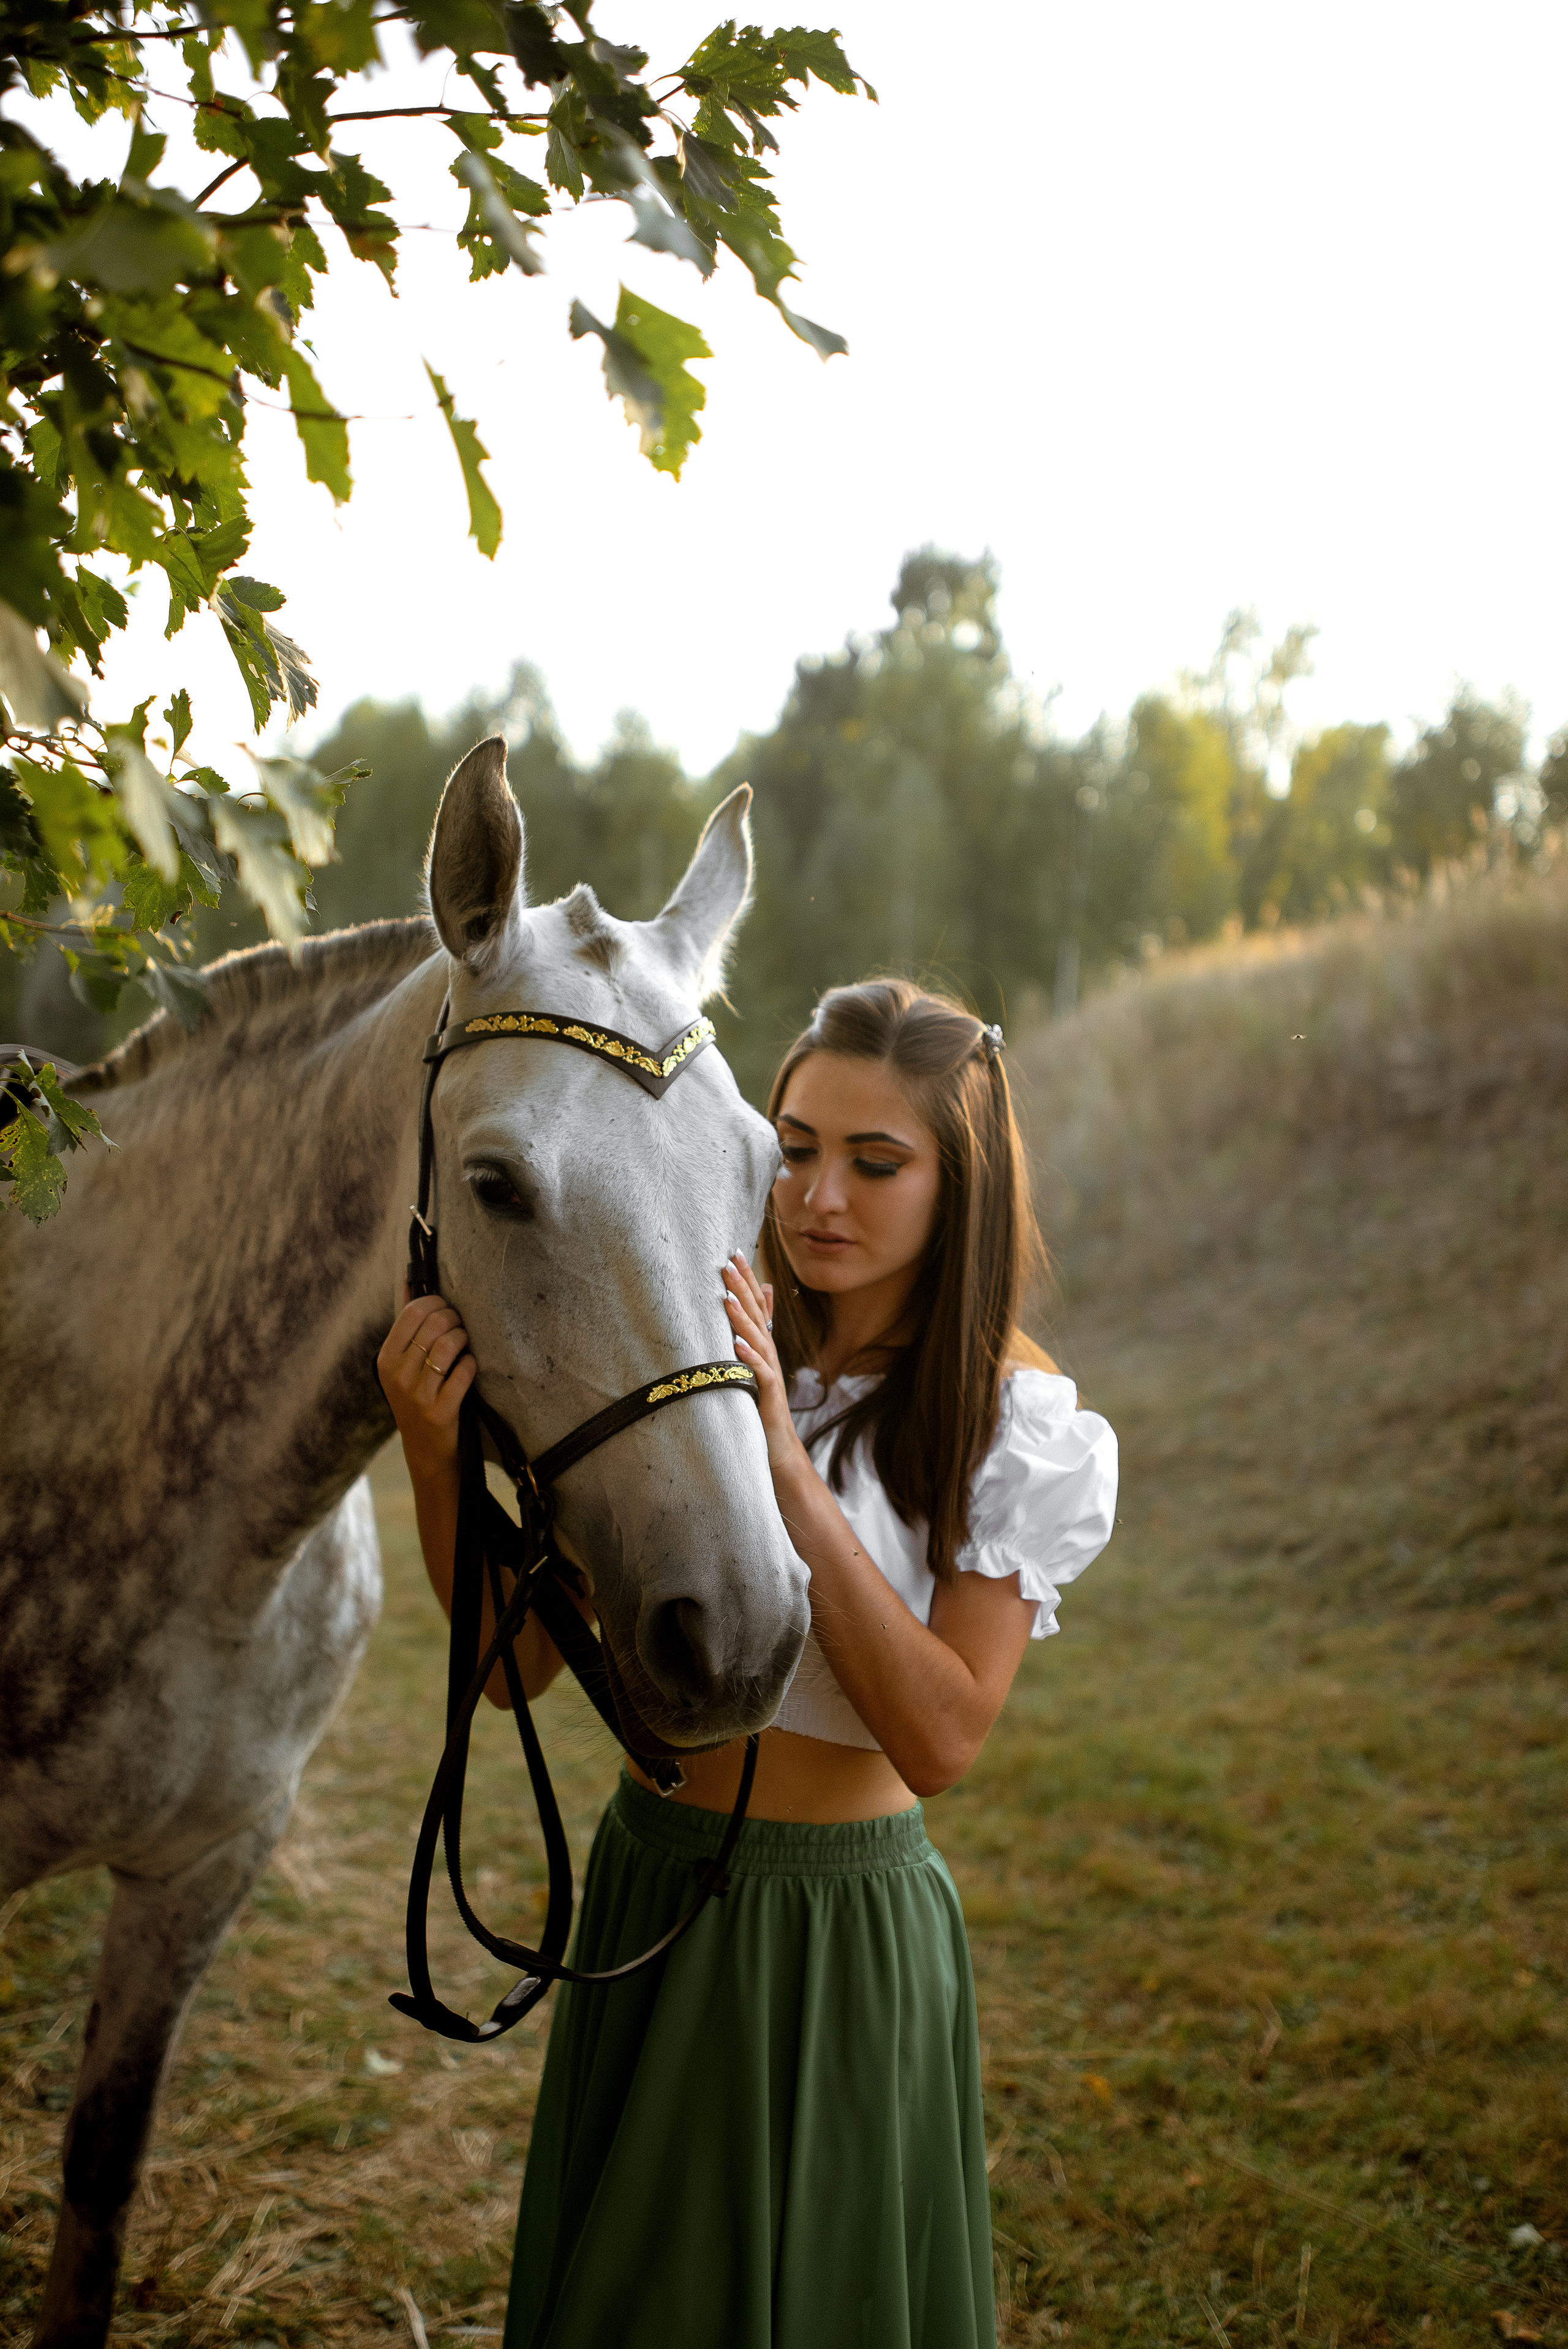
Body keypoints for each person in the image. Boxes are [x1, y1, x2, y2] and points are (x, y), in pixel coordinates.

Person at [379, 978, 1118, 2349]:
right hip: (652, 1886)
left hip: (838, 1934)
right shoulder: (673, 1356)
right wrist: (438, 1468)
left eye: (873, 1163)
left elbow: (941, 1741)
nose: (817, 1196)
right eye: (793, 1148)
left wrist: (785, 1468)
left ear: (958, 1184)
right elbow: (514, 1673)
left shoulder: (1011, 1421)